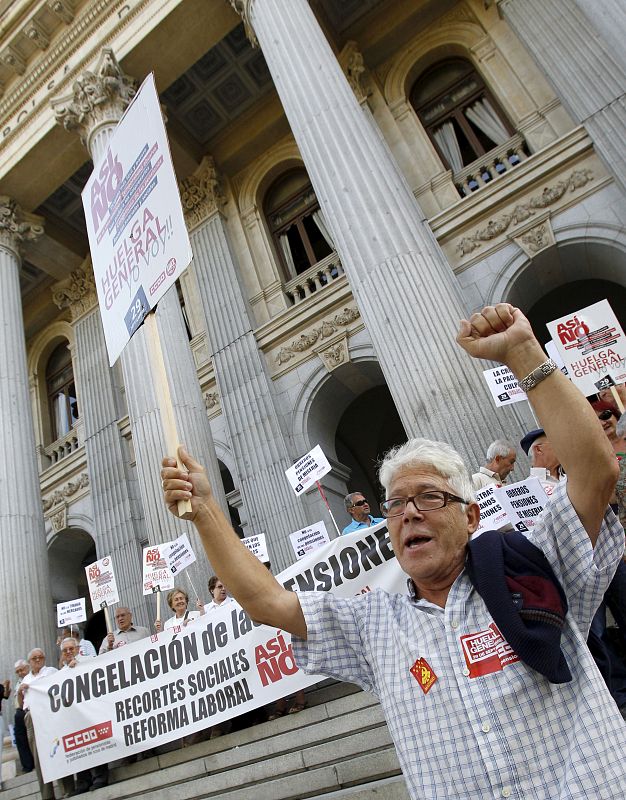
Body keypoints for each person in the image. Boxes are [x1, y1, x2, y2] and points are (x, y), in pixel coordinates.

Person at [162, 303, 625, 800]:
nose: (409, 514)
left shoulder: (537, 566)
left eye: (429, 497)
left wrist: (523, 353)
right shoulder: (373, 625)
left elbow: (595, 472)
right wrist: (207, 512)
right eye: (396, 505)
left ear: (471, 517)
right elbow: (266, 602)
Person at [58, 638, 109, 794]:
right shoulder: (60, 673)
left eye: (71, 648)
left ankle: (100, 777)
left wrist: (78, 667)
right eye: (65, 650)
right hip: (73, 717)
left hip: (91, 712)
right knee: (79, 747)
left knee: (97, 743)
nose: (68, 652)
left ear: (78, 648)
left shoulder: (89, 660)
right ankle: (83, 781)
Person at [19, 649, 58, 800]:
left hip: (51, 712)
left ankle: (67, 789)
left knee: (58, 748)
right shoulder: (26, 679)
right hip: (32, 716)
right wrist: (21, 692)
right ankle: (47, 795)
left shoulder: (51, 672)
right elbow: (21, 705)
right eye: (34, 658)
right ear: (29, 662)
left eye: (40, 657)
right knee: (38, 756)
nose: (37, 660)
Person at [13, 659, 33, 774]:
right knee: (20, 739)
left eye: (22, 670)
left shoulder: (31, 677)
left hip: (32, 710)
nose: (20, 673)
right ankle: (27, 765)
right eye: (17, 671)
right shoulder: (18, 683)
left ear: (27, 667)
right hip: (20, 712)